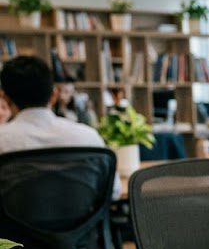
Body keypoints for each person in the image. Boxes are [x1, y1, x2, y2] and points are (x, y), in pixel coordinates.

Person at [0, 56, 120, 199]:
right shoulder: (88, 137)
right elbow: (113, 192)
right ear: (54, 95)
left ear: (5, 98)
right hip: (81, 221)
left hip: (14, 221)